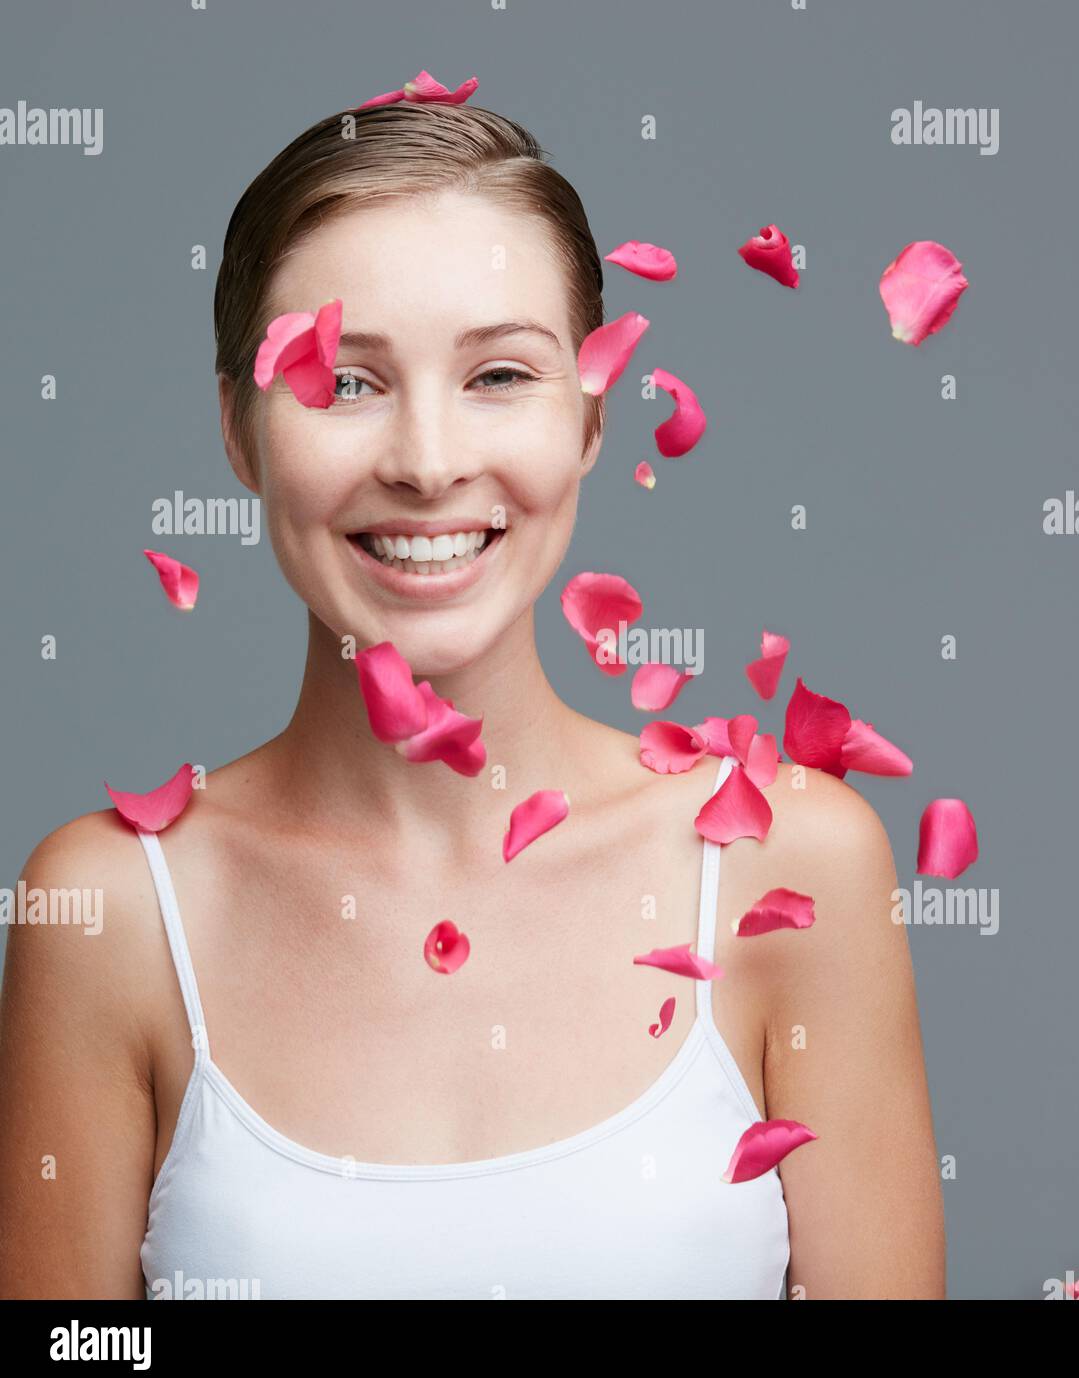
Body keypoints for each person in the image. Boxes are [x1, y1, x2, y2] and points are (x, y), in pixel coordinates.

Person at [0, 99, 944, 1299]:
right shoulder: (109, 912)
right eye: (344, 381)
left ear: (591, 417)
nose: (428, 459)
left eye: (500, 373)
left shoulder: (792, 862)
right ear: (239, 431)